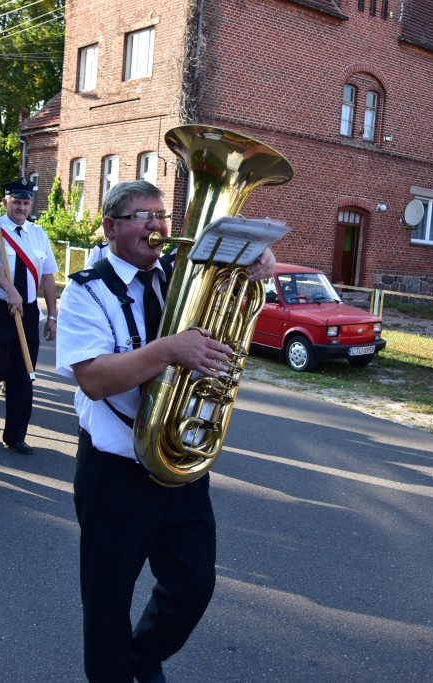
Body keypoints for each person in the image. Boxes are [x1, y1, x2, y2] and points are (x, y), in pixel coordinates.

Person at [56, 179, 276, 682]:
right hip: (114, 475)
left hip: (179, 465)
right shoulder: (86, 290)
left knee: (192, 587)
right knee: (107, 604)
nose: (157, 226)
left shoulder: (183, 275)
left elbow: (235, 317)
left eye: (161, 216)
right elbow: (92, 378)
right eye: (141, 216)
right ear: (110, 226)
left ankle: (141, 655)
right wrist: (167, 351)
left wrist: (259, 273)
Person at [0, 178, 58, 455]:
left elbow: (49, 278)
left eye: (26, 202)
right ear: (5, 202)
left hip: (27, 311)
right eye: (16, 201)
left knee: (23, 374)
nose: (21, 207)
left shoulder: (38, 233)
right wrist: (10, 291)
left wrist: (52, 316)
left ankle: (15, 435)